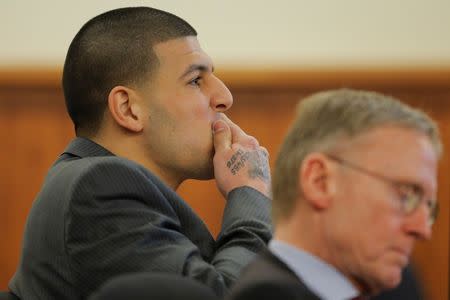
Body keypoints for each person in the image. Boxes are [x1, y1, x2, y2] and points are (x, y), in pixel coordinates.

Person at [9, 7, 272, 299]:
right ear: (128, 109)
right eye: (195, 80)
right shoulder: (98, 187)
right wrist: (250, 194)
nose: (225, 97)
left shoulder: (90, 179)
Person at [227, 89, 441, 300]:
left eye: (428, 207)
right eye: (406, 195)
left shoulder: (399, 288)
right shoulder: (268, 296)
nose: (423, 229)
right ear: (320, 182)